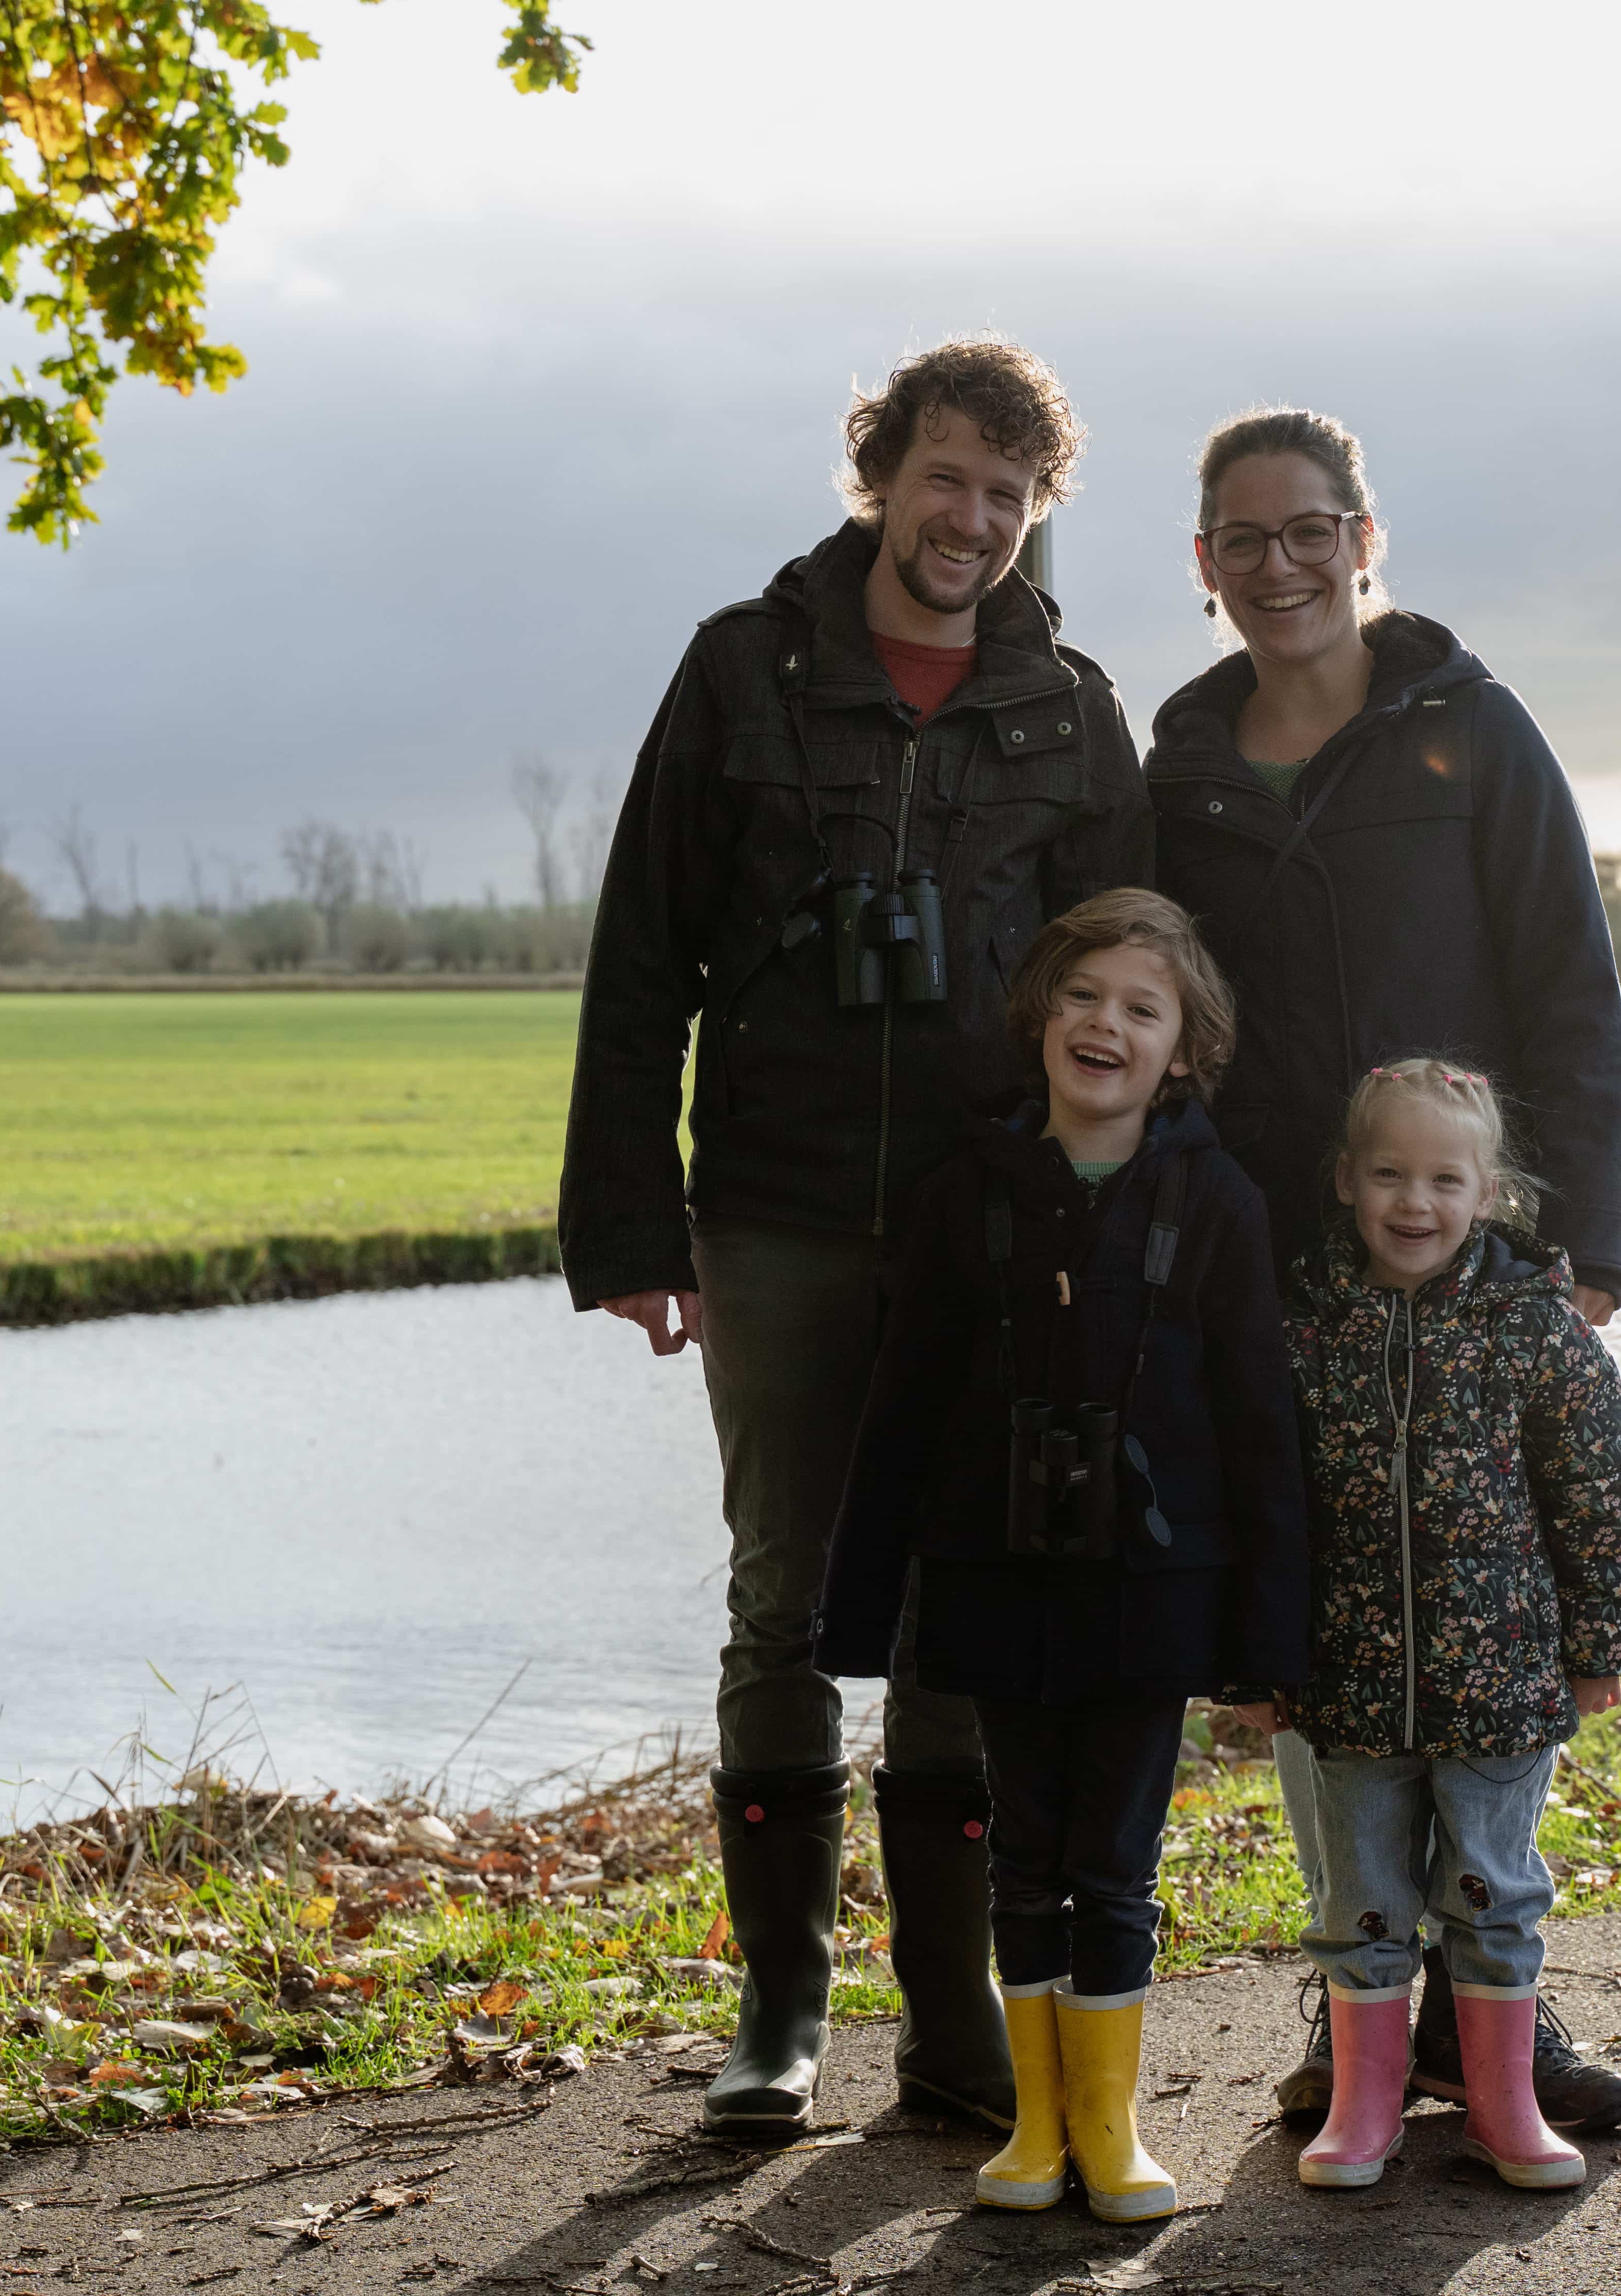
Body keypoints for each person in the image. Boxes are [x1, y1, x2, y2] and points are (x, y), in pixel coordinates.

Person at [560, 338, 1150, 2136]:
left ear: (1034, 513)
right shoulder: (743, 671)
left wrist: (1109, 1224)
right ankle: (779, 2011)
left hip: (987, 1229)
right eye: (945, 476)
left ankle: (953, 2014)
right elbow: (643, 958)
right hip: (776, 1209)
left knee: (958, 1599)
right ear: (881, 476)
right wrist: (632, 1225)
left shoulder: (1072, 712)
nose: (971, 518)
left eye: (1008, 493)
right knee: (786, 1597)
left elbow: (1128, 986)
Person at [1146, 407, 1621, 2131]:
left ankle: (1495, 2005)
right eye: (1244, 537)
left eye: (1311, 530)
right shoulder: (1179, 770)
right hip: (1280, 1264)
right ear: (1205, 564)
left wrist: (1583, 1245)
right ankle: (1362, 1992)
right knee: (1324, 1620)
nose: (1279, 564)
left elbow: (1571, 986)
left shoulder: (1474, 734)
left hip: (1468, 1245)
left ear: (1362, 539)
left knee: (1488, 1615)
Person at [812, 889, 1309, 2223]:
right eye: (1083, 995)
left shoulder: (1218, 1201)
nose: (1107, 1025)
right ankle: (1038, 2128)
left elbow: (1261, 1430)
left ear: (1185, 1051)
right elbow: (901, 1409)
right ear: (1040, 1016)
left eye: (1143, 1009)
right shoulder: (964, 1195)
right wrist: (860, 1616)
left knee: (1118, 1867)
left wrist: (1267, 1646)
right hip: (995, 1587)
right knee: (1024, 1858)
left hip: (1154, 1597)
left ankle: (1111, 2124)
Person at [1251, 1059, 1621, 2191]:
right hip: (1348, 1682)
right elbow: (1263, 1506)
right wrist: (1255, 1657)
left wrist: (1602, 1645)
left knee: (1494, 1890)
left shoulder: (1535, 1327)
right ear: (1345, 1179)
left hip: (1503, 1680)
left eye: (1442, 1179)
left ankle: (1503, 2102)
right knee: (1362, 1898)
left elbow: (1597, 1494)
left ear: (1488, 1193)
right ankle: (1365, 2103)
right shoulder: (1302, 1326)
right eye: (1389, 1174)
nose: (1413, 1202)